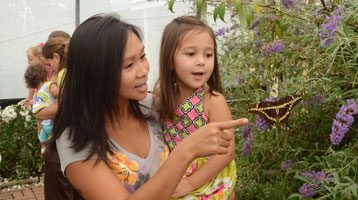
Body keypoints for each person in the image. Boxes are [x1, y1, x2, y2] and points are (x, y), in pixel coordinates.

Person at [52, 14, 248, 200]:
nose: (144, 70)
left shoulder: (154, 107)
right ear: (97, 75)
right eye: (129, 65)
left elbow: (223, 159)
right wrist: (186, 151)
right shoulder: (75, 140)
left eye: (143, 56)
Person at [154, 16, 237, 199]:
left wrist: (190, 183)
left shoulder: (213, 100)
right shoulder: (161, 98)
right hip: (176, 176)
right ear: (169, 61)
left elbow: (227, 152)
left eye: (208, 55)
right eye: (191, 54)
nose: (201, 61)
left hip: (210, 179)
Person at [39, 36, 78, 200]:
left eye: (49, 64)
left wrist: (40, 112)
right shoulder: (74, 72)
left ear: (56, 57)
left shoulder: (63, 75)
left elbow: (61, 104)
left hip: (64, 141)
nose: (50, 69)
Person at [24, 63, 58, 143]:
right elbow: (57, 93)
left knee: (44, 142)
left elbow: (33, 102)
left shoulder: (36, 95)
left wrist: (29, 102)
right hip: (54, 124)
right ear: (46, 76)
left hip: (44, 127)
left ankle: (44, 147)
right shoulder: (48, 85)